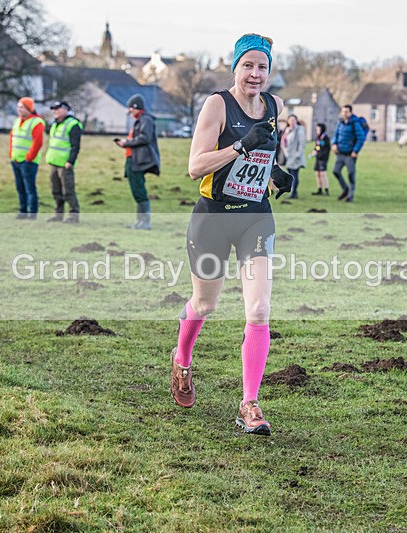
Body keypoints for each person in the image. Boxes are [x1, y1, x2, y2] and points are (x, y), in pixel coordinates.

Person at [169, 33, 293, 436]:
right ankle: (182, 361)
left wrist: (275, 173)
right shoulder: (217, 104)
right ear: (235, 67)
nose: (255, 74)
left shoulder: (273, 105)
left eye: (262, 67)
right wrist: (241, 146)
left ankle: (250, 404)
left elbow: (264, 152)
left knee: (258, 310)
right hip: (213, 219)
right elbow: (195, 167)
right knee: (204, 305)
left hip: (255, 218)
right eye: (248, 66)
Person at [114, 94, 160, 229]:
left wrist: (127, 142)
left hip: (139, 161)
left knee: (139, 191)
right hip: (134, 159)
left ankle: (145, 222)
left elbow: (144, 138)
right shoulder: (141, 120)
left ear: (137, 107)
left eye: (130, 108)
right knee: (137, 190)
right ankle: (140, 221)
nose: (129, 111)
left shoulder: (146, 120)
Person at [45, 101, 82, 223]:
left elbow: (75, 146)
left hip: (65, 164)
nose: (55, 111)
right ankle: (58, 214)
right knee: (56, 190)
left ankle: (73, 215)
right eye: (54, 109)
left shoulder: (73, 125)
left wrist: (70, 161)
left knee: (68, 190)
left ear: (65, 110)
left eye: (57, 109)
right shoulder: (55, 124)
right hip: (54, 162)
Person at [9, 97, 45, 219]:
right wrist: (11, 153)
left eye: (22, 107)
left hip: (28, 162)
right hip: (16, 159)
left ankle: (32, 213)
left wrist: (30, 157)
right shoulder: (16, 121)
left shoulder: (36, 122)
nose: (19, 109)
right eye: (18, 107)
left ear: (29, 109)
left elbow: (38, 142)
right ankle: (22, 211)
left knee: (30, 188)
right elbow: (12, 138)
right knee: (20, 188)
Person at [331, 104, 366, 202]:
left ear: (350, 112)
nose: (344, 113)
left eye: (346, 111)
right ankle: (345, 189)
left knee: (351, 174)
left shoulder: (355, 123)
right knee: (336, 171)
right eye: (343, 111)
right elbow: (336, 134)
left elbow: (361, 138)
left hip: (350, 154)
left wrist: (356, 150)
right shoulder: (340, 122)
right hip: (340, 153)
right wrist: (334, 144)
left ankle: (350, 195)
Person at [282, 114, 306, 199]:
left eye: (293, 120)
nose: (292, 121)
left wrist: (298, 154)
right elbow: (284, 142)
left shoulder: (299, 129)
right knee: (290, 174)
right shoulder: (287, 130)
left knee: (294, 174)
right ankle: (293, 192)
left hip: (295, 156)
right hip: (288, 156)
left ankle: (294, 193)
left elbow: (302, 142)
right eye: (290, 120)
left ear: (296, 120)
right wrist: (286, 154)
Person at [311, 122, 330, 196]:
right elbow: (317, 147)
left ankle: (326, 189)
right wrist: (314, 151)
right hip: (318, 158)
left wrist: (320, 154)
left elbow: (327, 149)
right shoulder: (317, 138)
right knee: (317, 173)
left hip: (323, 159)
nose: (317, 131)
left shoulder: (325, 138)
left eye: (318, 129)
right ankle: (319, 189)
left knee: (323, 174)